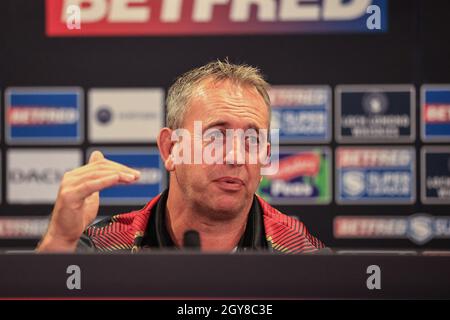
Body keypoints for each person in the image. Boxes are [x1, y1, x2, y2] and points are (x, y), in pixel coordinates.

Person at [36, 60, 325, 253]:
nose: (237, 156)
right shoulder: (105, 249)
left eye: (252, 139)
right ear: (171, 149)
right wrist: (59, 241)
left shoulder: (303, 255)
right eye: (215, 136)